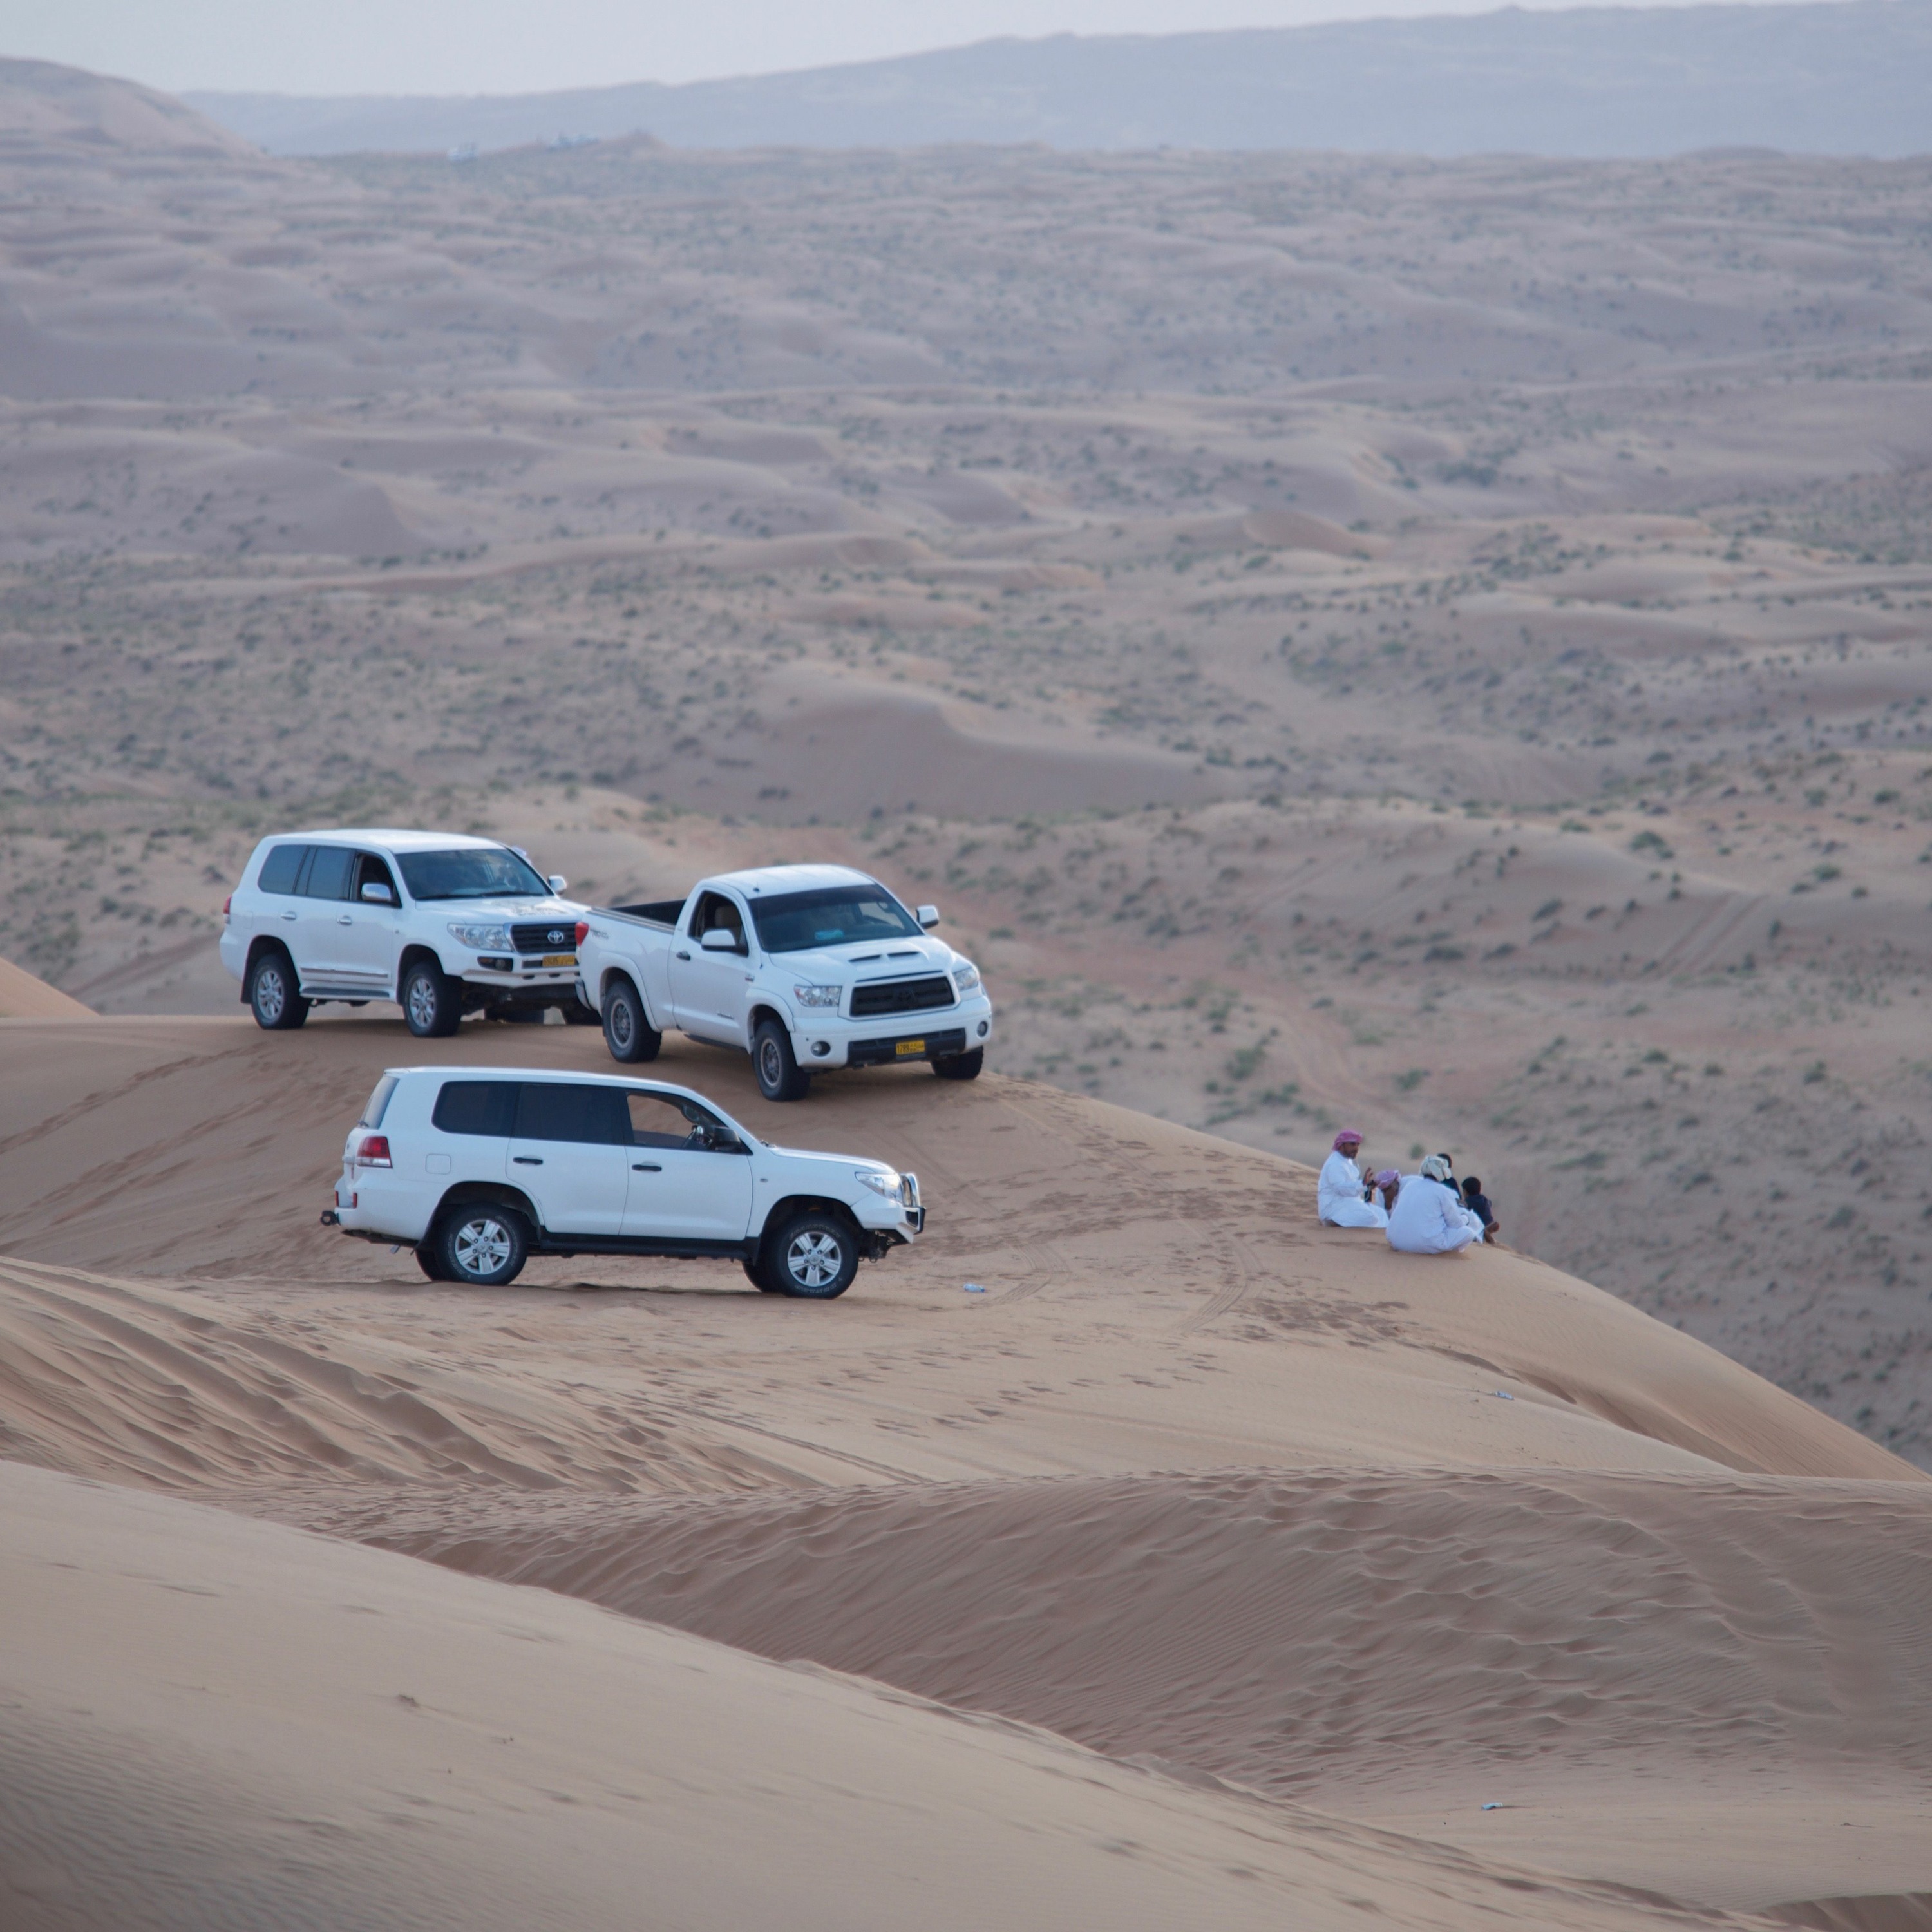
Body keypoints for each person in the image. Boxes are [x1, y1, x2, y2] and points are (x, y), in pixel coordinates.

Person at [1387, 1153, 1486, 1255]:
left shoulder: (1409, 1185)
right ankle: (1453, 1254)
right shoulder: (1443, 1191)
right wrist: (1466, 1219)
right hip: (1425, 1244)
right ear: (1442, 1173)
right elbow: (1455, 1223)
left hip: (1396, 1241)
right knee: (1468, 1233)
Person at [1318, 1129, 1388, 1229]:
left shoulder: (1347, 1161)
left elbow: (1354, 1189)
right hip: (1334, 1208)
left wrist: (1368, 1187)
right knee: (1370, 1217)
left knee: (1381, 1214)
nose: (1356, 1148)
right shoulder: (1335, 1164)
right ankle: (1331, 1222)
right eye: (1352, 1144)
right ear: (1342, 1145)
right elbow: (1340, 1188)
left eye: (1358, 1145)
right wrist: (1362, 1184)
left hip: (1349, 1204)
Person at [1461, 1175, 1499, 1243]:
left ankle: (1483, 1232)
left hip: (1477, 1230)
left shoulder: (1467, 1203)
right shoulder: (1485, 1200)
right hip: (1490, 1225)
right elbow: (1489, 1204)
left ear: (1466, 1192)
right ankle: (1486, 1232)